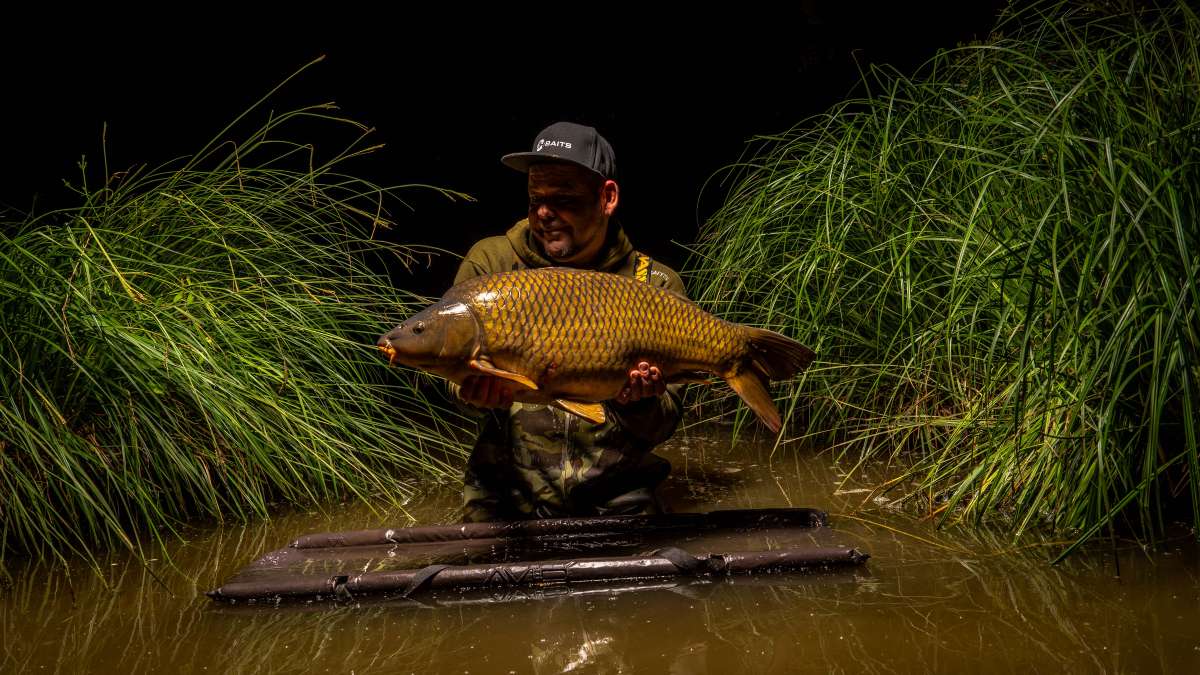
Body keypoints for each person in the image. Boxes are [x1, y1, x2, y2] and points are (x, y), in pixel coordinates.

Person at [451, 121, 687, 522]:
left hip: (618, 496)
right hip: (504, 495)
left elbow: (664, 423)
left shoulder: (656, 286)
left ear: (607, 197)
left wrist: (639, 402)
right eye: (535, 199)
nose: (544, 213)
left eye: (563, 198)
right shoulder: (492, 266)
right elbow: (445, 375)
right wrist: (469, 392)